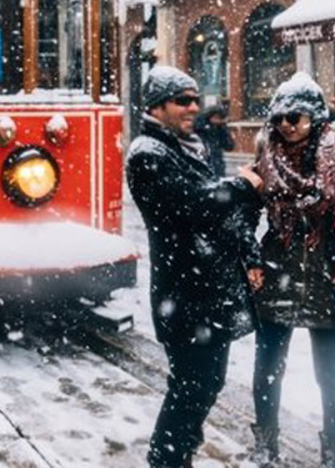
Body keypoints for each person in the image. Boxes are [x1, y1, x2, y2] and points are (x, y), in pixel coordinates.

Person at [125, 66, 263, 468]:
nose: (193, 107)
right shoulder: (148, 153)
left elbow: (220, 215)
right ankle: (166, 459)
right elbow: (194, 205)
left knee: (206, 383)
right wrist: (241, 187)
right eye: (182, 100)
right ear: (157, 106)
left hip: (207, 292)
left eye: (195, 99)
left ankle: (177, 454)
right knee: (191, 386)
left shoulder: (189, 146)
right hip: (183, 294)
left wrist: (249, 253)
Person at [248, 73, 335, 468]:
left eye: (296, 116)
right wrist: (253, 259)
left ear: (317, 117)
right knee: (269, 367)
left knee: (331, 374)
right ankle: (266, 446)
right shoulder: (265, 157)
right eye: (280, 118)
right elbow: (243, 217)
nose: (287, 125)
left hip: (328, 274)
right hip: (278, 270)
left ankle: (332, 455)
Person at [194, 105, 235, 176]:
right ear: (210, 117)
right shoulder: (199, 128)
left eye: (220, 118)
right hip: (202, 166)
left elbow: (229, 146)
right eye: (217, 117)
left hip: (217, 167)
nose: (218, 120)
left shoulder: (220, 129)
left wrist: (223, 129)